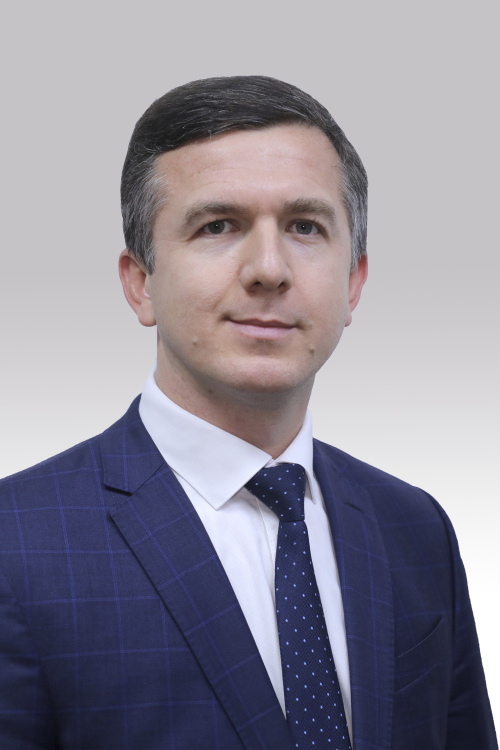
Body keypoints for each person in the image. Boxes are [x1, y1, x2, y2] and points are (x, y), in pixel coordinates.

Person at [0, 76, 496, 750]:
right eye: (219, 226)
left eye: (304, 226)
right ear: (141, 283)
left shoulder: (415, 528)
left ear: (354, 283)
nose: (269, 268)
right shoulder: (16, 543)